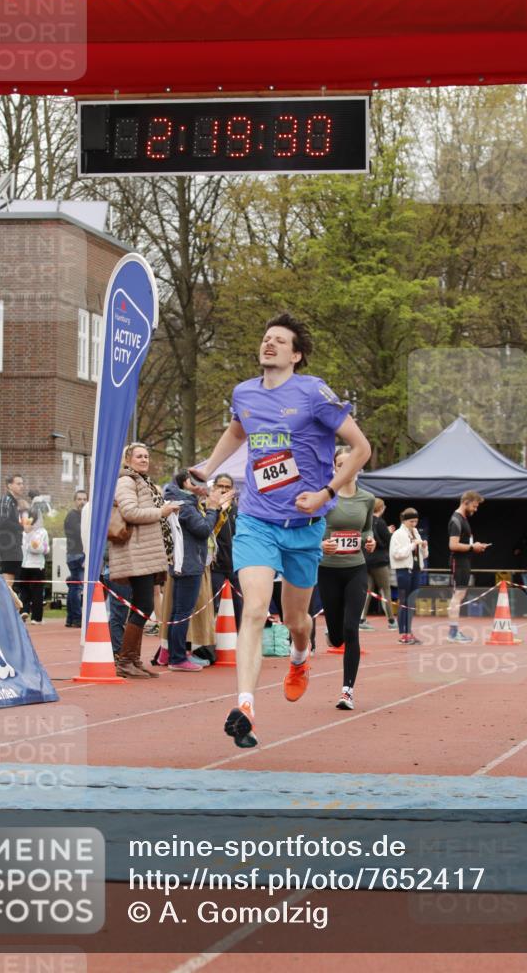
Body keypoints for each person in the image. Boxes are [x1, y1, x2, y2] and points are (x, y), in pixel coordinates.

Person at [193, 312, 371, 749]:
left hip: (305, 527)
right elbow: (238, 430)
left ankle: (299, 657)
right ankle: (246, 706)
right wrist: (207, 468)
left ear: (297, 354)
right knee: (253, 610)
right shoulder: (244, 393)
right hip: (257, 520)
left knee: (297, 621)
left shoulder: (313, 393)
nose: (268, 344)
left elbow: (362, 447)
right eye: (265, 338)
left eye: (279, 340)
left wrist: (326, 490)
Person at [109, 442, 180, 678]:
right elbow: (129, 512)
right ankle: (126, 660)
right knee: (143, 605)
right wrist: (162, 512)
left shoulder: (142, 482)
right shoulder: (126, 481)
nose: (144, 459)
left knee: (144, 603)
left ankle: (132, 659)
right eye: (139, 456)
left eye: (147, 456)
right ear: (127, 460)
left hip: (146, 550)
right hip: (136, 550)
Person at [318, 446, 376, 710]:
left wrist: (370, 541)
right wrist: (322, 545)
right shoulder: (325, 496)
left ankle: (347, 691)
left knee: (352, 629)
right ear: (334, 468)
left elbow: (365, 531)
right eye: (340, 464)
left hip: (356, 568)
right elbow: (310, 530)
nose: (345, 468)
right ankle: (334, 632)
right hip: (328, 569)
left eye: (349, 464)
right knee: (339, 636)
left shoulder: (367, 499)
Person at [163, 470, 230, 671]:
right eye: (199, 483)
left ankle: (178, 654)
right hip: (188, 563)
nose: (204, 488)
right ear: (186, 483)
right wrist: (212, 509)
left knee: (179, 611)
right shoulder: (184, 505)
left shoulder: (182, 501)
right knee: (182, 612)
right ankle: (177, 658)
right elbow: (202, 530)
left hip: (186, 560)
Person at [447, 490, 489, 642]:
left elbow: (463, 544)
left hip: (463, 561)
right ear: (466, 502)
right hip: (458, 561)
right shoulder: (456, 520)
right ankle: (452, 633)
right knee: (457, 596)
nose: (475, 510)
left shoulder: (462, 518)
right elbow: (453, 545)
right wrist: (473, 547)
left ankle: (454, 632)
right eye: (474, 506)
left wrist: (475, 546)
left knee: (459, 595)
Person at [390, 507, 428, 645]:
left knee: (411, 602)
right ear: (405, 521)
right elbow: (396, 554)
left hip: (416, 569)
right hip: (403, 570)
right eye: (411, 521)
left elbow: (425, 555)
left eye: (416, 521)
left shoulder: (416, 532)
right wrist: (412, 546)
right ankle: (403, 633)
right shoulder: (398, 534)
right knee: (404, 601)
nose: (414, 524)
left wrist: (424, 546)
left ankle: (409, 631)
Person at [210, 473, 243, 629]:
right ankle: (209, 646)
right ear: (214, 487)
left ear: (233, 490)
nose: (223, 490)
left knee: (239, 608)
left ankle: (240, 643)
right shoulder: (208, 508)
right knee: (212, 608)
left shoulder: (240, 510)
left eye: (227, 487)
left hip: (236, 566)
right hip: (215, 566)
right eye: (220, 486)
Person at [360, 497, 397, 631]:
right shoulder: (380, 522)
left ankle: (362, 619)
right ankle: (392, 620)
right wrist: (389, 533)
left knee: (367, 591)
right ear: (380, 508)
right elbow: (387, 541)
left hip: (366, 559)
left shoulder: (365, 521)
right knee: (385, 589)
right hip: (379, 561)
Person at [17, 505, 49, 624]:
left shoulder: (24, 531)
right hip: (37, 565)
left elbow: (43, 547)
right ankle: (36, 617)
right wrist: (43, 548)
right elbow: (40, 548)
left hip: (24, 565)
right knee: (37, 591)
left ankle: (24, 611)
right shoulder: (40, 532)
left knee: (24, 590)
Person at [0, 474, 26, 587]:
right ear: (9, 485)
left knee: (11, 577)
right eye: (18, 483)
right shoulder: (6, 499)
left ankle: (8, 602)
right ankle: (3, 603)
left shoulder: (13, 501)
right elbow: (3, 521)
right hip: (7, 544)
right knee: (8, 578)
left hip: (13, 544)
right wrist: (21, 526)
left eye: (22, 483)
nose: (22, 486)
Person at [64, 490, 87, 628]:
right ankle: (76, 618)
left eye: (84, 499)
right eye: (79, 499)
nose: (82, 501)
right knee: (77, 587)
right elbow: (79, 534)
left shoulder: (81, 515)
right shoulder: (73, 516)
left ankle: (71, 618)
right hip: (76, 554)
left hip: (76, 553)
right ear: (75, 501)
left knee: (74, 586)